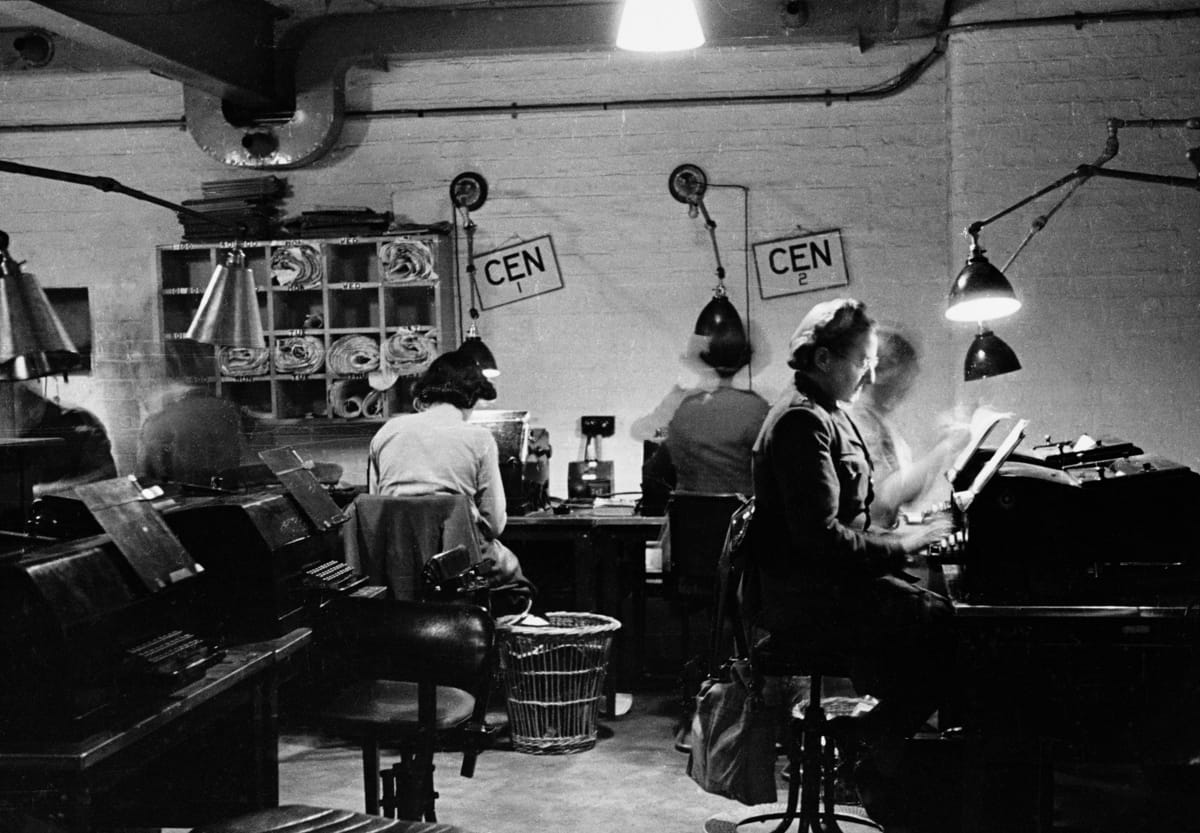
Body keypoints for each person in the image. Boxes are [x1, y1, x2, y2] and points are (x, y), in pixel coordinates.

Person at [741, 298, 954, 803]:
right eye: (862, 360)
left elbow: (853, 520)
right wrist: (901, 546)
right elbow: (822, 539)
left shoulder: (827, 414)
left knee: (936, 617)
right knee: (950, 627)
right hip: (808, 602)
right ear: (824, 360)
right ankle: (872, 750)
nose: (870, 373)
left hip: (823, 588)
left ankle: (880, 752)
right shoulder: (801, 422)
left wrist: (901, 547)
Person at [367, 349, 531, 610]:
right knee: (518, 585)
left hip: (396, 569)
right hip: (457, 569)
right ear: (472, 398)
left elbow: (373, 508)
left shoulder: (385, 432)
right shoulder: (480, 438)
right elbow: (495, 523)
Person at [849, 327, 969, 528]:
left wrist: (942, 444)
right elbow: (884, 497)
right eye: (905, 376)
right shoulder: (858, 421)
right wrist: (945, 448)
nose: (907, 387)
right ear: (882, 373)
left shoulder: (880, 420)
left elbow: (907, 494)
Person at [12, 381, 117, 496]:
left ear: (32, 409)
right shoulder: (21, 424)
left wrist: (43, 491)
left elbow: (106, 476)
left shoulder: (78, 422)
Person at [137, 384, 253, 487]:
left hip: (187, 495)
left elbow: (147, 475)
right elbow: (242, 453)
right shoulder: (227, 409)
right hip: (222, 487)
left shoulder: (159, 421)